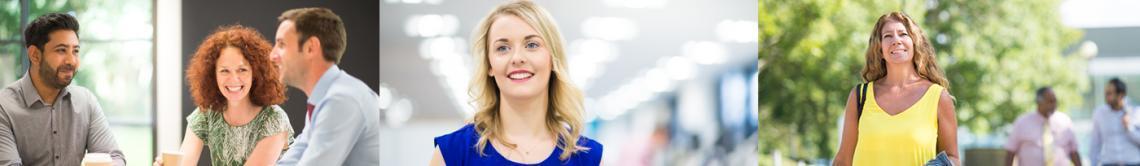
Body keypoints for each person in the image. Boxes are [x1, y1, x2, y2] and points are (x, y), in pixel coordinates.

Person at [429, 1, 603, 165]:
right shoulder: (452, 153)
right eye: (502, 48)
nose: (517, 58)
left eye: (532, 45)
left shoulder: (589, 158)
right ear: (489, 65)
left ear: (552, 58)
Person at [152, 25, 293, 166]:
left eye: (242, 70)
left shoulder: (274, 119)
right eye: (225, 71)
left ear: (255, 74)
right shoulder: (207, 114)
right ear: (213, 75)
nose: (234, 79)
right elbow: (185, 162)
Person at [832, 11, 959, 166]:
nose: (896, 40)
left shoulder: (938, 97)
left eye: (903, 34)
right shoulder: (860, 97)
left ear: (915, 42)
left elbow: (953, 158)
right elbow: (843, 160)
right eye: (888, 36)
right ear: (880, 49)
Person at [0, 13, 126, 166]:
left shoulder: (86, 101)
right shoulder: (4, 107)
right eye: (61, 50)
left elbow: (114, 158)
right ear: (34, 55)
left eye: (75, 51)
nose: (71, 61)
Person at [270, 7, 381, 166]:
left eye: (281, 44)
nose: (272, 55)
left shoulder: (341, 101)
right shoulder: (325, 98)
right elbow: (294, 158)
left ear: (310, 47)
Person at [1005, 87, 1081, 166]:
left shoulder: (1065, 121)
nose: (1054, 105)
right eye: (1050, 101)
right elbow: (1010, 151)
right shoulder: (1022, 122)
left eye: (1055, 101)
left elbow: (1074, 152)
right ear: (1039, 102)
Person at [1090, 77, 1140, 165]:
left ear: (1120, 95)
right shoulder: (1099, 113)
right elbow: (1095, 143)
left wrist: (1129, 128)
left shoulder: (1135, 111)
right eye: (1106, 93)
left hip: (1133, 163)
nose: (1106, 96)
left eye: (1109, 93)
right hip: (1109, 163)